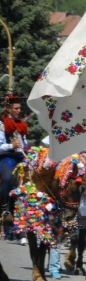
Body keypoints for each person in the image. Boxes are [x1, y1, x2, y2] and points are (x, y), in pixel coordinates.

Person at [0, 96, 29, 244]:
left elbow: (25, 143)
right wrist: (12, 146)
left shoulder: (21, 125)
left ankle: (22, 228)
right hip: (6, 157)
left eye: (19, 108)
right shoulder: (2, 123)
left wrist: (27, 149)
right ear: (9, 108)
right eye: (16, 108)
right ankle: (4, 207)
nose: (19, 111)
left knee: (29, 183)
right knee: (8, 178)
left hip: (21, 157)